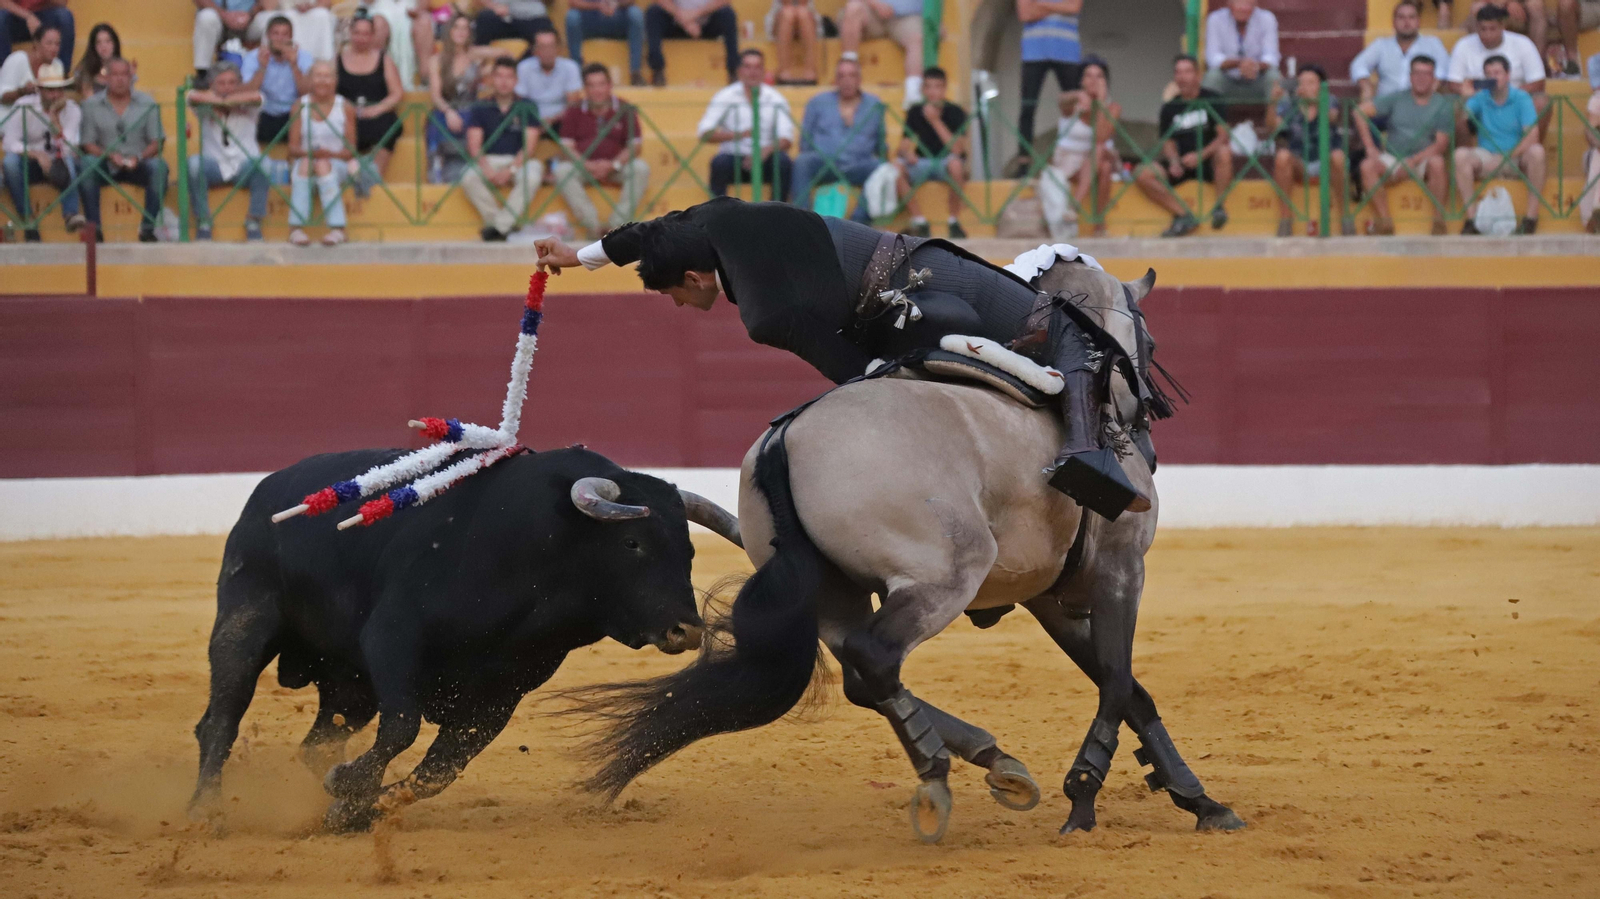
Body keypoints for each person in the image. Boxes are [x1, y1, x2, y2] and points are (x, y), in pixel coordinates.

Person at [531, 198, 1157, 520]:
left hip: (905, 310)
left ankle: (1071, 469)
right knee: (1069, 330)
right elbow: (652, 230)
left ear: (696, 276)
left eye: (671, 292)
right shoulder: (717, 216)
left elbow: (854, 372)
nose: (676, 305)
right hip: (923, 278)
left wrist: (579, 257)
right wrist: (578, 256)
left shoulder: (763, 315)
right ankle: (1088, 457)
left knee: (1055, 335)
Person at [1133, 54, 1233, 238]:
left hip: (1208, 162)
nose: (1182, 77)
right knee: (1142, 172)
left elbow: (1223, 136)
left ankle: (1219, 207)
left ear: (1197, 75)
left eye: (1187, 72)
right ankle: (1183, 215)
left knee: (1224, 152)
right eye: (1178, 72)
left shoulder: (1213, 99)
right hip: (1182, 164)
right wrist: (1174, 161)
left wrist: (1201, 155)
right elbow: (1168, 141)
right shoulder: (1170, 107)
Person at [1355, 56, 1451, 235]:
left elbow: (1440, 144)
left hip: (1424, 158)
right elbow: (1359, 111)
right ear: (1410, 76)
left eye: (1426, 74)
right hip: (1393, 157)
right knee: (1367, 166)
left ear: (1433, 78)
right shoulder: (1397, 97)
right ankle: (1385, 221)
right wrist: (1370, 147)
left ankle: (1438, 220)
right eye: (1417, 73)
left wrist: (1413, 161)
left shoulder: (1442, 105)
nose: (1421, 78)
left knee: (1438, 163)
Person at [552, 62, 648, 237]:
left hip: (617, 166)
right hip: (583, 167)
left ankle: (616, 227)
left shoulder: (625, 108)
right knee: (562, 171)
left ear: (609, 85)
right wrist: (586, 165)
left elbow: (635, 146)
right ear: (584, 88)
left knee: (641, 168)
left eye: (601, 84)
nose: (597, 90)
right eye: (591, 85)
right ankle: (593, 227)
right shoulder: (573, 110)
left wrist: (613, 165)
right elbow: (566, 146)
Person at [1454, 54, 1545, 233]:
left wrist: (1505, 158)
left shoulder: (1521, 97)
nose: (1493, 77)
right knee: (1460, 156)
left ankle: (1531, 218)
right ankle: (1472, 220)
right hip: (1486, 156)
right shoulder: (1480, 97)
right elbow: (1460, 121)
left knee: (1537, 151)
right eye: (1489, 74)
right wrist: (1465, 98)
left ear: (1508, 75)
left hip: (1515, 157)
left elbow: (1532, 136)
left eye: (1497, 72)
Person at [79, 58, 166, 242]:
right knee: (87, 164)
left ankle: (147, 229)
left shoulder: (147, 102)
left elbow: (157, 141)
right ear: (106, 77)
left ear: (131, 76)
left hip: (138, 163)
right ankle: (95, 230)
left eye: (124, 75)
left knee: (159, 167)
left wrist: (140, 157)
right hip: (106, 164)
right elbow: (87, 143)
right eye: (115, 75)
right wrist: (108, 155)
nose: (119, 80)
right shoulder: (91, 105)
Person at [790, 56, 885, 221]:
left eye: (852, 75)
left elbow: (881, 144)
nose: (847, 81)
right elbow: (805, 140)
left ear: (859, 79)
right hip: (824, 163)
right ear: (836, 80)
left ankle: (859, 223)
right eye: (842, 76)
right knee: (802, 162)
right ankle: (802, 222)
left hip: (858, 164)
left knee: (881, 167)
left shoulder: (874, 105)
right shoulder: (817, 102)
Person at [186, 61, 271, 241]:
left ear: (239, 84)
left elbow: (258, 97)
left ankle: (254, 221)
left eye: (232, 83)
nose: (227, 87)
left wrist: (227, 102)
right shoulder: (204, 106)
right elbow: (191, 97)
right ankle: (203, 221)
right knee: (193, 164)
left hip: (244, 166)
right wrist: (219, 102)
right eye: (222, 83)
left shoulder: (250, 102)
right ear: (212, 85)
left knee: (264, 164)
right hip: (215, 165)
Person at [460, 57, 542, 241]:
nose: (504, 82)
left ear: (516, 81)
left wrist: (511, 168)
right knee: (468, 178)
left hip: (519, 161)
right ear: (491, 80)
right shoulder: (480, 106)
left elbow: (530, 147)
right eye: (499, 76)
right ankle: (504, 225)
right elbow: (474, 146)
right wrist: (486, 168)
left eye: (509, 77)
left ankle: (497, 228)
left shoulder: (528, 106)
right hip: (489, 158)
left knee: (532, 176)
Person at [1035, 56, 1117, 239]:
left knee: (1103, 161)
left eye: (1099, 76)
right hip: (1067, 162)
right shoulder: (1073, 104)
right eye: (1088, 75)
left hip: (1093, 162)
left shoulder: (1112, 108)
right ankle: (1095, 222)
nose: (1094, 81)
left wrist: (1101, 102)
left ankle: (1080, 210)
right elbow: (1061, 100)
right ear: (1081, 80)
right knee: (1101, 156)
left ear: (1106, 81)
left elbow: (1102, 136)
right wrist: (1077, 96)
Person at [2, 59, 83, 240]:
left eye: (58, 89)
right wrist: (35, 154)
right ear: (41, 90)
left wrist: (54, 118)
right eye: (50, 90)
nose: (55, 95)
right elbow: (9, 142)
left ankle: (70, 213)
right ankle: (28, 219)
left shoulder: (72, 110)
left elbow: (69, 146)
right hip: (30, 163)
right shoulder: (24, 106)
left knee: (69, 160)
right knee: (10, 163)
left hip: (59, 162)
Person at [1267, 64, 1352, 237]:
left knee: (1338, 156)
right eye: (1302, 82)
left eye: (1311, 82)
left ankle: (1345, 217)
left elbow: (1332, 117)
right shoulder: (1289, 102)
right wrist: (1272, 103)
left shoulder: (1329, 99)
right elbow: (1272, 128)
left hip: (1326, 161)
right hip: (1300, 161)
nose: (1305, 86)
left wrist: (1313, 100)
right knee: (1282, 156)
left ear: (1321, 86)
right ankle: (1285, 220)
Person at [699, 49, 794, 199]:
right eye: (747, 67)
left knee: (783, 163)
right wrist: (737, 135)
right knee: (718, 164)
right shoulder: (725, 96)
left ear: (764, 71)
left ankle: (777, 216)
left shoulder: (776, 98)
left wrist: (765, 151)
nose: (752, 72)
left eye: (757, 67)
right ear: (739, 71)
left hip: (766, 159)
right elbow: (705, 133)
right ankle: (717, 218)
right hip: (733, 157)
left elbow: (786, 138)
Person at [286, 59, 355, 246]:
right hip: (305, 162)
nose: (323, 81)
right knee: (310, 163)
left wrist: (329, 155)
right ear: (310, 80)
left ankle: (338, 228)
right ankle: (296, 228)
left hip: (337, 164)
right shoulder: (300, 105)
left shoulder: (345, 106)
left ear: (335, 80)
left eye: (327, 76)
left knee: (323, 165)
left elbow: (350, 150)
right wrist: (310, 154)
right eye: (318, 76)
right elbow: (292, 148)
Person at [895, 66, 968, 238]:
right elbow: (903, 146)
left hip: (946, 163)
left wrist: (935, 121)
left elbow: (958, 149)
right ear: (923, 89)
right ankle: (920, 221)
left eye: (937, 86)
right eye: (928, 87)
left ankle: (953, 221)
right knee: (896, 169)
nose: (933, 92)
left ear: (944, 88)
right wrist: (907, 154)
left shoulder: (955, 111)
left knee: (956, 164)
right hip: (921, 163)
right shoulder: (915, 111)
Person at [1012, 0, 1082, 174]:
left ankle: (1080, 156)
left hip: (1067, 52)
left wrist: (1040, 5)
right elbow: (1024, 14)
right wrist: (1058, 8)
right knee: (1027, 108)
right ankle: (1023, 164)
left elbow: (1074, 7)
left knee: (1077, 107)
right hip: (1033, 52)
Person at [338, 11, 404, 192]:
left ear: (373, 36)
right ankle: (354, 176)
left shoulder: (385, 60)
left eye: (366, 33)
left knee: (390, 125)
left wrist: (377, 109)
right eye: (357, 33)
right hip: (346, 117)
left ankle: (373, 180)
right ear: (350, 33)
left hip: (377, 115)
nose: (361, 38)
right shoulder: (337, 60)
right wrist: (346, 109)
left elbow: (397, 93)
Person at [426, 13, 491, 183]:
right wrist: (449, 111)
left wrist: (476, 53)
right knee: (436, 121)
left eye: (465, 28)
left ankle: (472, 173)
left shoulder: (474, 57)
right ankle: (437, 174)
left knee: (479, 121)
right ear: (449, 31)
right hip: (445, 111)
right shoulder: (436, 60)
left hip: (471, 112)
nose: (461, 32)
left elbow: (505, 54)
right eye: (457, 27)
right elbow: (435, 96)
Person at [1350, 1, 1451, 101]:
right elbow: (1358, 65)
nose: (1407, 22)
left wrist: (1430, 90)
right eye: (1401, 17)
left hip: (1421, 107)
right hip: (1386, 106)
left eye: (1411, 17)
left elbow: (1443, 69)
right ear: (1394, 22)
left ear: (1418, 21)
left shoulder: (1432, 43)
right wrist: (1366, 86)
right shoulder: (1381, 45)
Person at [241, 15, 312, 147]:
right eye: (276, 33)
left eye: (285, 34)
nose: (280, 38)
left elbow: (307, 93)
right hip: (263, 113)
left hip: (293, 114)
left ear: (291, 37)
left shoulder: (304, 57)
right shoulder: (253, 57)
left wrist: (294, 65)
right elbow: (247, 93)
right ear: (268, 36)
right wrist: (262, 67)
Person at [1447, 5, 1546, 98]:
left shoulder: (1523, 43)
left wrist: (1507, 96)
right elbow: (1453, 84)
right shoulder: (1463, 45)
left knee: (1541, 101)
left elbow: (1538, 82)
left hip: (1514, 101)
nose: (1488, 34)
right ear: (1477, 27)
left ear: (1502, 26)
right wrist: (1474, 93)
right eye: (1483, 29)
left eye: (1492, 29)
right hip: (1477, 101)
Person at [839, 0, 924, 104]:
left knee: (917, 38)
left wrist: (934, 23)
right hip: (873, 13)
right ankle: (847, 74)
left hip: (908, 17)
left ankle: (913, 95)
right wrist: (876, 4)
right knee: (853, 8)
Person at [645, 0, 739, 86]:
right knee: (653, 12)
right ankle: (657, 70)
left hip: (706, 23)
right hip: (676, 23)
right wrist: (685, 21)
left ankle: (733, 70)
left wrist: (695, 15)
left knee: (728, 14)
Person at [1203, 0, 1280, 103]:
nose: (1243, 8)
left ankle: (1280, 118)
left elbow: (1271, 57)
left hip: (1257, 78)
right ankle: (1211, 118)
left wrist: (1254, 66)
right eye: (1239, 3)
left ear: (1255, 4)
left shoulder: (1267, 18)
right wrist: (1239, 64)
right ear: (1229, 4)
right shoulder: (1215, 19)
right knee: (1212, 77)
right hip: (1228, 79)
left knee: (1274, 77)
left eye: (1248, 4)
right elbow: (1213, 58)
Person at [565, 0, 645, 86]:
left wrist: (615, 4)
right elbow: (573, 2)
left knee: (636, 14)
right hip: (589, 18)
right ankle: (577, 74)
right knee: (572, 17)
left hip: (617, 16)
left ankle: (635, 73)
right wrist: (598, 5)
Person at [515, 28, 582, 125]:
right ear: (535, 50)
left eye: (551, 46)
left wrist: (551, 121)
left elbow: (573, 104)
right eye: (542, 47)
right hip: (531, 122)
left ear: (558, 48)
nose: (547, 51)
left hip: (561, 121)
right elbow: (520, 101)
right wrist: (537, 123)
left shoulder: (570, 67)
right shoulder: (524, 67)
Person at [193, 0, 264, 84]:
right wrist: (224, 15)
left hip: (249, 19)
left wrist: (250, 14)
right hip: (218, 17)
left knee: (273, 19)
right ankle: (203, 73)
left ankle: (267, 70)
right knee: (206, 17)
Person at [250, 0, 338, 62]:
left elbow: (325, 3)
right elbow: (269, 7)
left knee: (322, 15)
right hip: (281, 11)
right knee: (287, 16)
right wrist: (292, 7)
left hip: (311, 11)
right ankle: (275, 56)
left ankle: (321, 61)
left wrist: (310, 6)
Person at [0, 21, 58, 111]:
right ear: (36, 43)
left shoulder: (57, 64)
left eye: (57, 44)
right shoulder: (18, 59)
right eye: (49, 43)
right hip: (8, 117)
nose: (54, 48)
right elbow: (2, 97)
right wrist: (22, 91)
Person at [0, 0, 72, 69]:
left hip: (43, 18)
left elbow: (62, 3)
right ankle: (4, 71)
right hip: (16, 19)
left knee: (65, 16)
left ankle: (61, 72)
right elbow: (3, 3)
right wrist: (28, 16)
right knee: (1, 17)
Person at [767, 0, 822, 86]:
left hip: (807, 19)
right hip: (780, 19)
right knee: (787, 13)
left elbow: (804, 3)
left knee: (803, 12)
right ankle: (784, 70)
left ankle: (810, 70)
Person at [73, 22, 135, 97]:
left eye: (108, 41)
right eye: (98, 42)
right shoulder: (85, 69)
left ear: (115, 44)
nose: (103, 46)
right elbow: (89, 102)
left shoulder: (123, 67)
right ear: (93, 47)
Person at [474, 0, 554, 48]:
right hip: (501, 16)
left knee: (545, 33)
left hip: (533, 16)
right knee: (484, 18)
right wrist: (494, 7)